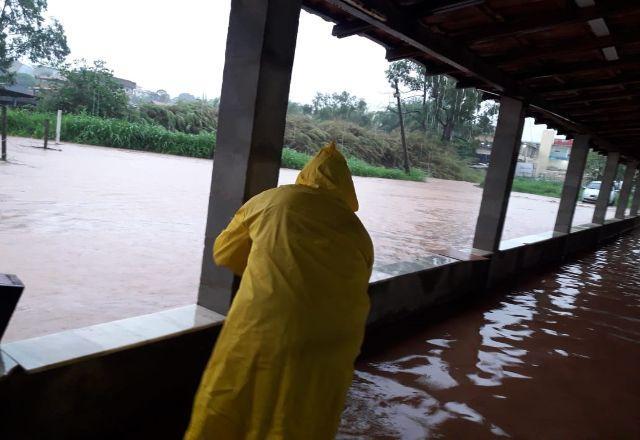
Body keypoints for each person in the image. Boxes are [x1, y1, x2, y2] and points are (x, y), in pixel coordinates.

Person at [185, 142, 373, 440]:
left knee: (229, 402)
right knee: (302, 416)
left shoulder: (273, 201)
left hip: (262, 328)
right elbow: (354, 283)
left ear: (305, 176)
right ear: (347, 189)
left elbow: (224, 254)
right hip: (332, 346)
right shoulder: (358, 231)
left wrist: (269, 265)